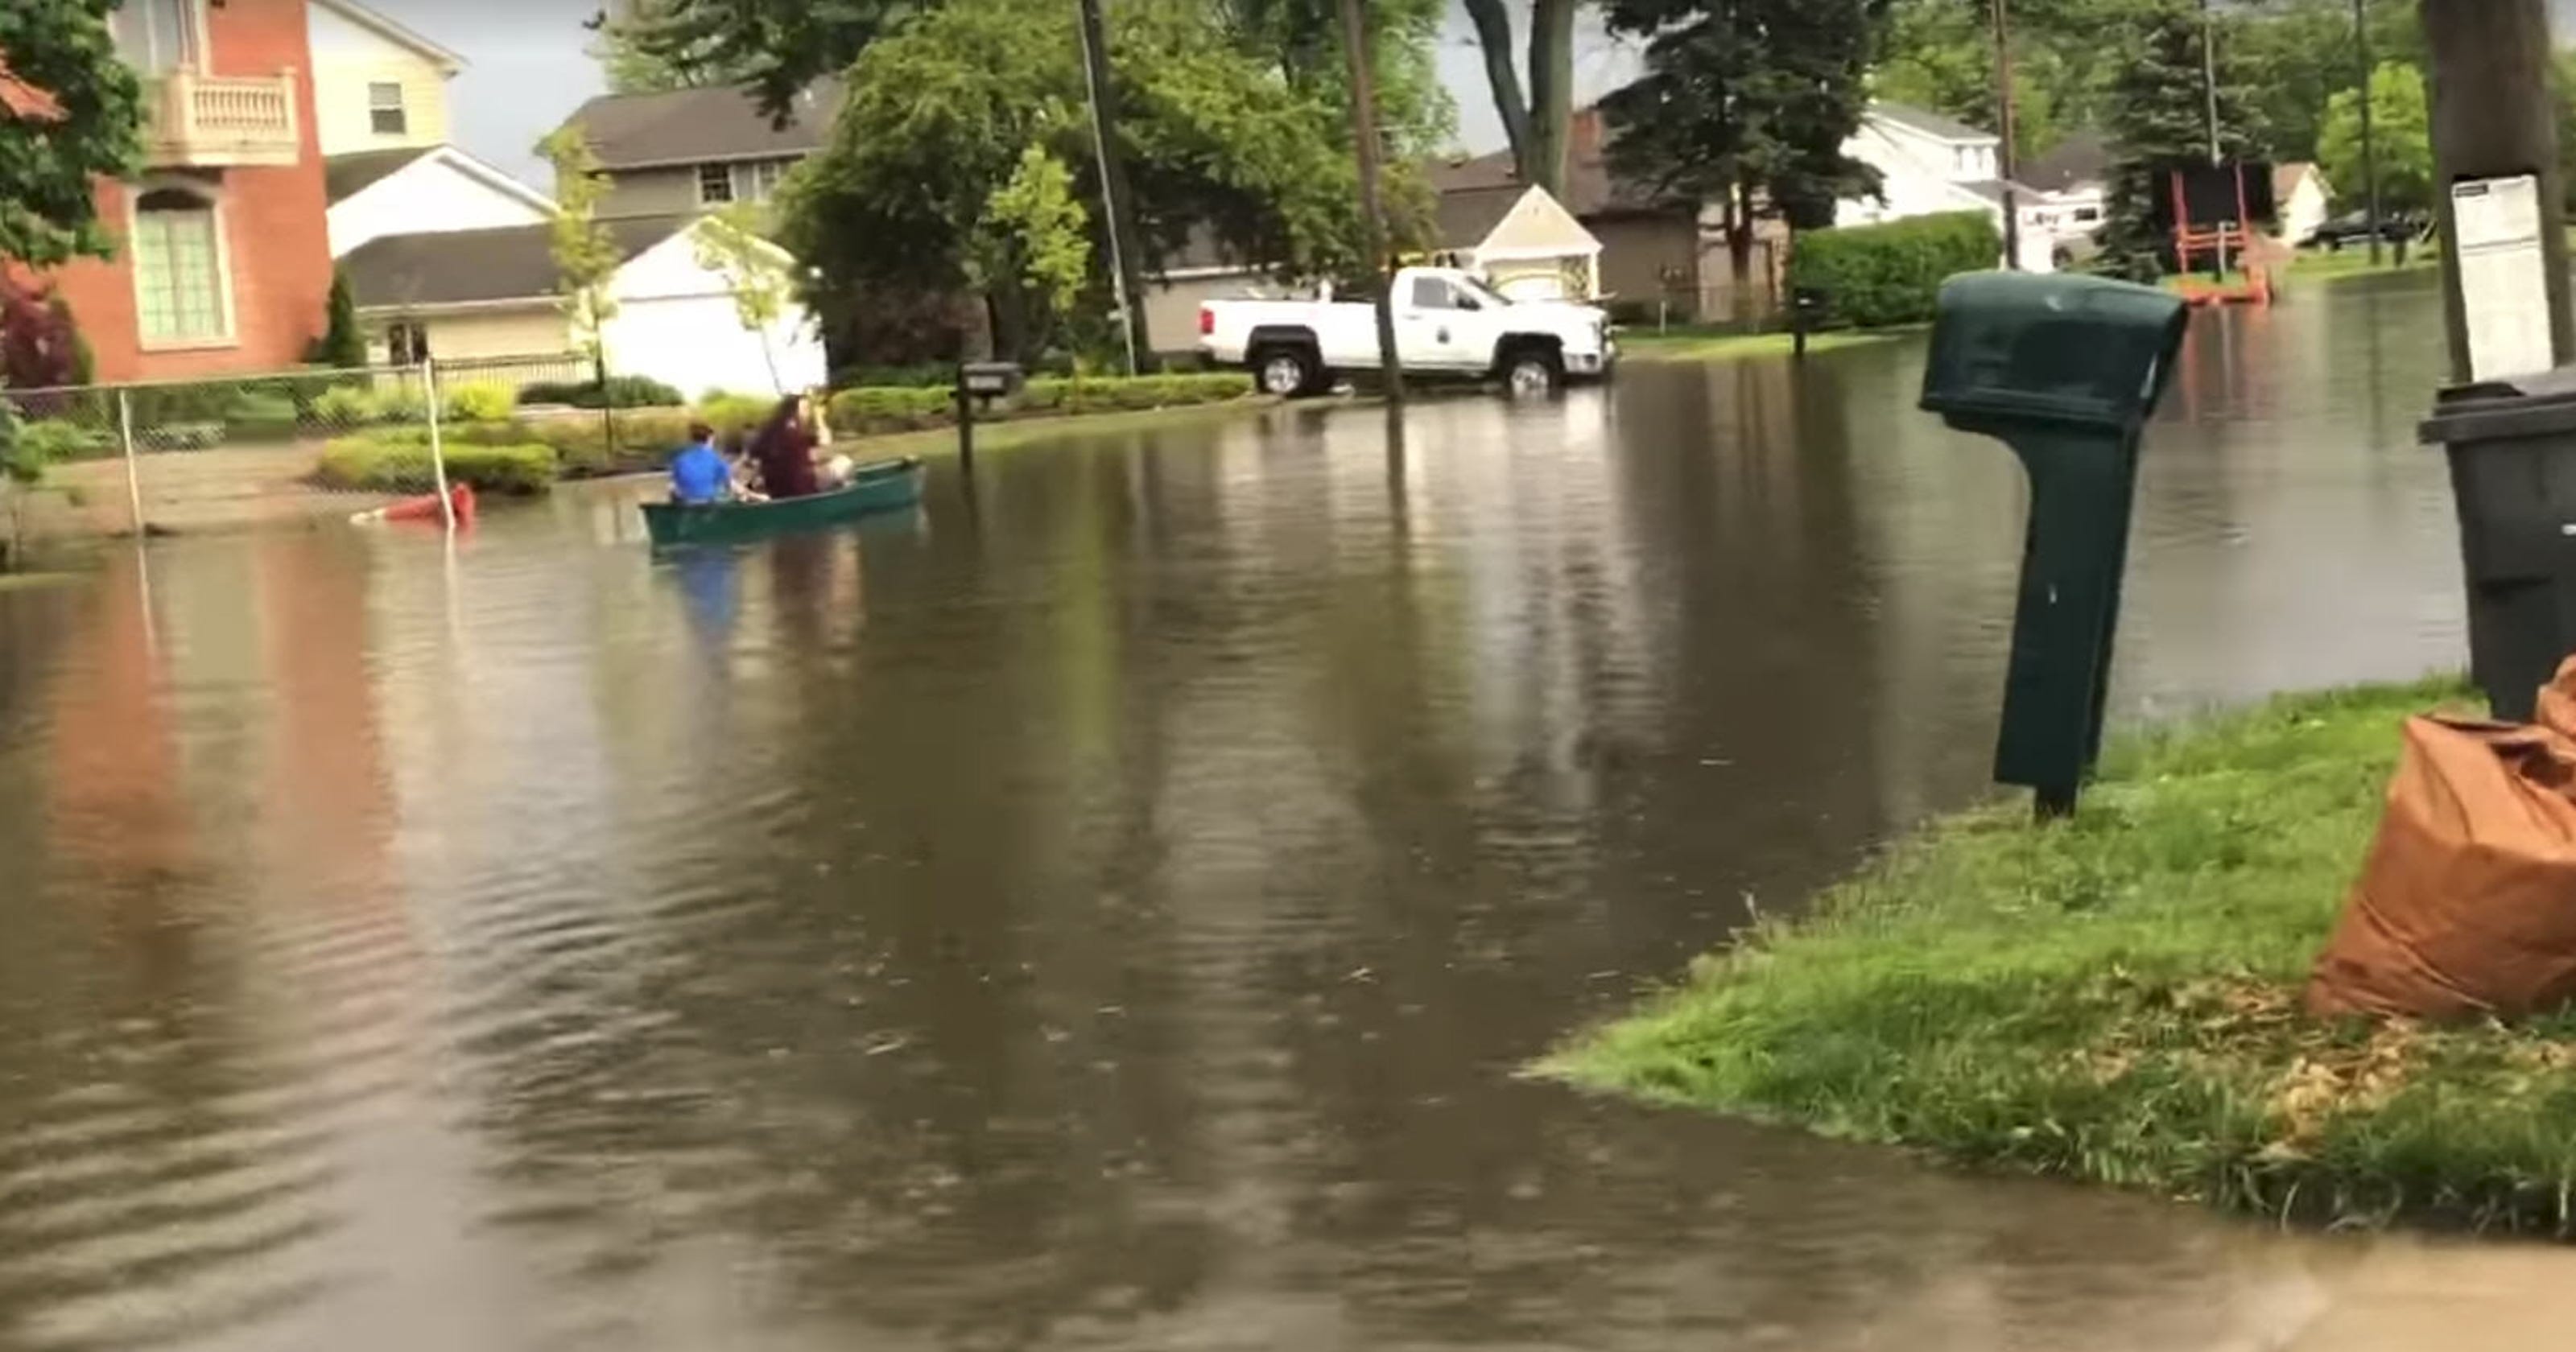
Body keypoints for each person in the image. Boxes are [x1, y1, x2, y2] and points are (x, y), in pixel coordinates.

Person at [749, 394, 822, 500]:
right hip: (802, 490)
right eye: (805, 409)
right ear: (793, 412)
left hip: (776, 490)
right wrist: (820, 417)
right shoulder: (796, 432)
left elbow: (754, 455)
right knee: (843, 463)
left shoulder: (769, 429)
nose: (808, 413)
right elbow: (825, 439)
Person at [668, 421, 733, 505]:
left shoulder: (680, 459)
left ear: (692, 440)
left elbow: (674, 484)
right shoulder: (716, 459)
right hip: (710, 503)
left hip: (686, 503)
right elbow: (728, 484)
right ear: (710, 439)